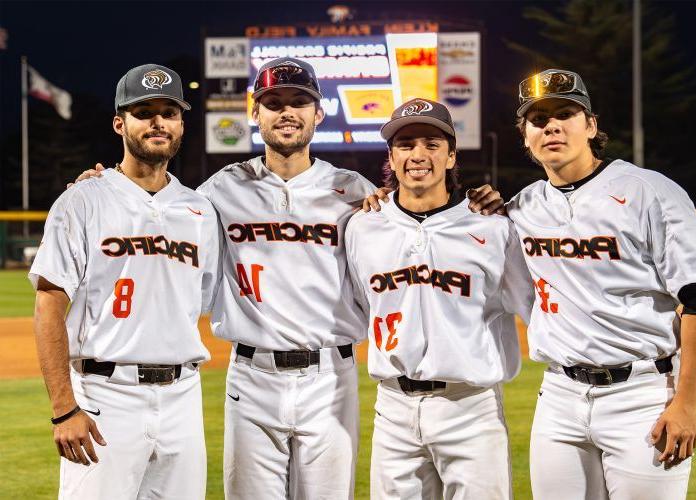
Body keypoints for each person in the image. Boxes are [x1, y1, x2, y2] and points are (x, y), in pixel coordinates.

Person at [72, 57, 503, 499]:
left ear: (318, 113)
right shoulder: (220, 190)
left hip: (330, 378)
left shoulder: (355, 192)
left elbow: (421, 213)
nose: (287, 112)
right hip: (251, 376)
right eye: (273, 102)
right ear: (254, 114)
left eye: (299, 101)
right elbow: (158, 208)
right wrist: (107, 183)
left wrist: (479, 200)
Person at [506, 68, 696, 499]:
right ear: (525, 136)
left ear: (590, 126)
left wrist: (687, 402)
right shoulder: (520, 208)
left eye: (565, 113)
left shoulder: (648, 191)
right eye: (537, 118)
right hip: (559, 396)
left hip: (642, 394)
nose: (550, 125)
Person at [30, 63, 220, 499]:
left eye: (169, 112)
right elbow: (48, 305)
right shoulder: (82, 200)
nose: (158, 122)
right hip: (104, 395)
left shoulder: (200, 210)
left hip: (182, 398)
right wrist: (64, 409)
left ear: (181, 123)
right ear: (120, 123)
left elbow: (203, 300)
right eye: (144, 111)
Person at [346, 98, 533, 499]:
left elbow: (535, 306)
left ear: (450, 157)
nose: (418, 155)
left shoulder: (493, 226)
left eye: (432, 144)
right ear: (391, 158)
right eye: (405, 144)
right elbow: (362, 304)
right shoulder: (363, 227)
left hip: (469, 407)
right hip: (393, 408)